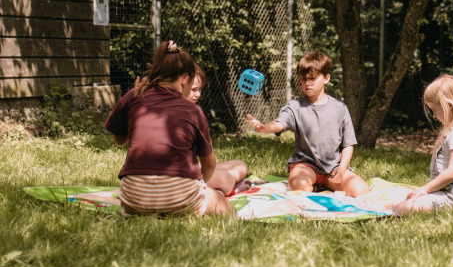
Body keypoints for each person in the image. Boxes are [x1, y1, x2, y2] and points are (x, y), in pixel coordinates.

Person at [104, 40, 235, 217]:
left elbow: (119, 140)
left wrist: (133, 113)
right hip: (180, 200)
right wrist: (200, 185)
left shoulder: (134, 95)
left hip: (134, 201)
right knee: (226, 208)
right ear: (185, 79)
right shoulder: (193, 110)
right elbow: (209, 164)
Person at [246, 52, 370, 197]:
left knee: (362, 190)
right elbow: (279, 123)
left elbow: (348, 144)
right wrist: (264, 128)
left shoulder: (340, 108)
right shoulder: (295, 106)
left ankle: (321, 185)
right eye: (303, 79)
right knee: (299, 186)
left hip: (333, 167)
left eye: (312, 78)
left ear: (326, 78)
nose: (307, 83)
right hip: (305, 166)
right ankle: (313, 186)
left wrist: (341, 171)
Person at [393, 74, 453, 215]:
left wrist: (425, 189)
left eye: (434, 109)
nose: (434, 115)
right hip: (442, 193)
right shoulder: (452, 131)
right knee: (398, 199)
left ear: (449, 106)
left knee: (404, 207)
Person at [188, 65, 250, 196]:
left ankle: (226, 187)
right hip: (184, 177)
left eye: (199, 89)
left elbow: (207, 162)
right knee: (225, 178)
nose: (198, 94)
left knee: (241, 165)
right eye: (193, 90)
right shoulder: (188, 114)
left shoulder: (193, 112)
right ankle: (228, 189)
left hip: (196, 169)